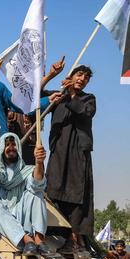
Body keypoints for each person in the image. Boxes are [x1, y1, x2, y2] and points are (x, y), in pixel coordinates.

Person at [45, 65, 96, 249]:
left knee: (76, 192)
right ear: (71, 76)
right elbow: (35, 94)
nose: (82, 79)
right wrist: (52, 75)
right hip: (58, 151)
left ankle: (75, 236)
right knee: (53, 188)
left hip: (78, 153)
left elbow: (85, 112)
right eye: (79, 74)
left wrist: (73, 94)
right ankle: (56, 233)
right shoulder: (57, 96)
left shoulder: (88, 98)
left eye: (86, 77)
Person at [0, 133, 50, 255]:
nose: (11, 148)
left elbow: (36, 183)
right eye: (7, 145)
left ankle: (39, 240)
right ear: (1, 149)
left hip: (21, 212)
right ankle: (26, 240)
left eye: (14, 144)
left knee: (36, 193)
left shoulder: (27, 170)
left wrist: (39, 162)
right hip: (2, 216)